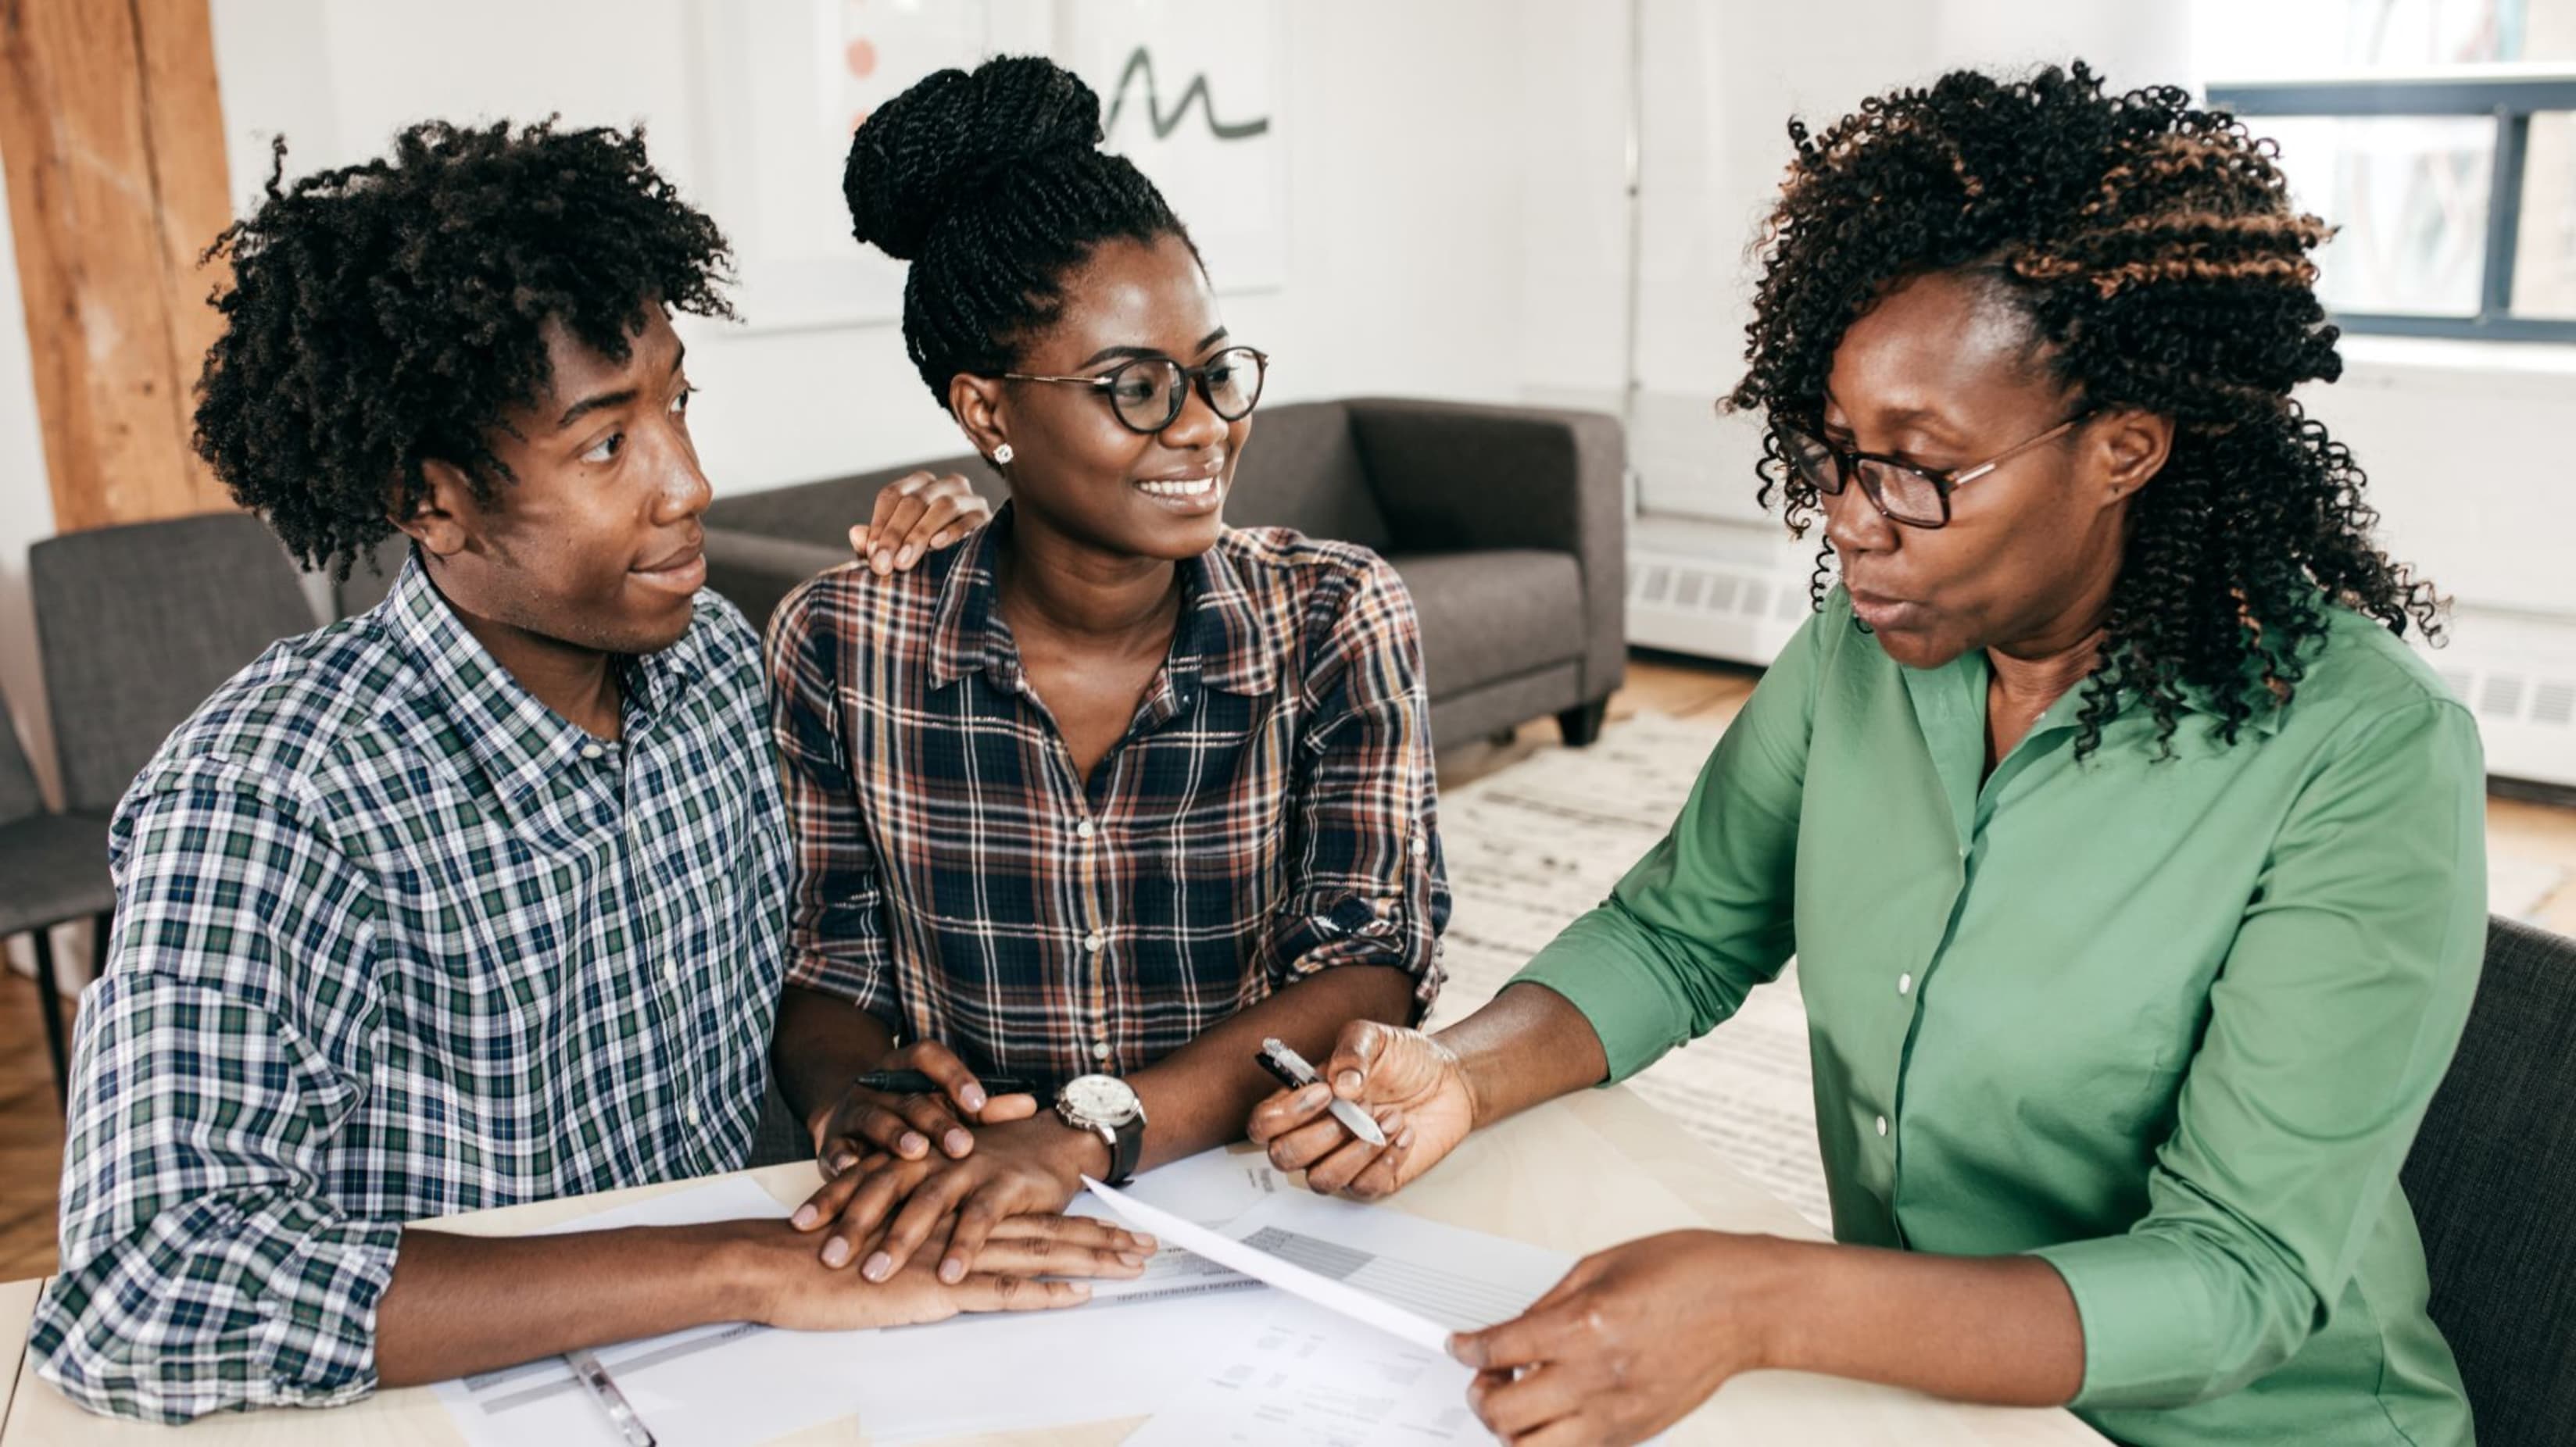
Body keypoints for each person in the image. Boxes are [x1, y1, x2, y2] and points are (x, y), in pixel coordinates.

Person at [1250, 62, 2481, 1447]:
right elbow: (1679, 934)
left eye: (1918, 467)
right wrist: (1463, 1074)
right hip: (1925, 1398)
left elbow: (2234, 1279)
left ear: (2126, 450)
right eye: (1833, 452)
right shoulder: (1864, 648)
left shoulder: (2366, 751)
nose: (1849, 519)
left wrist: (1766, 1302)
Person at [33, 118, 1141, 1424]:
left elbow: (785, 967)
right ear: (431, 501)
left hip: (743, 1378)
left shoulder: (711, 664)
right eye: (606, 444)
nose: (690, 483)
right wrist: (745, 1268)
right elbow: (143, 1286)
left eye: (678, 404)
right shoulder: (274, 797)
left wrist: (844, 1093)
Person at [767, 55, 1450, 1290]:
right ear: (988, 415)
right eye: (1135, 388)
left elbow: (1370, 963)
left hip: (1248, 1194)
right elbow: (828, 962)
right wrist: (850, 1104)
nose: (1202, 425)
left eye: (1216, 372)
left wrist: (1088, 1135)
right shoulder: (844, 643)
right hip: (967, 1207)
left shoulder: (1332, 616)